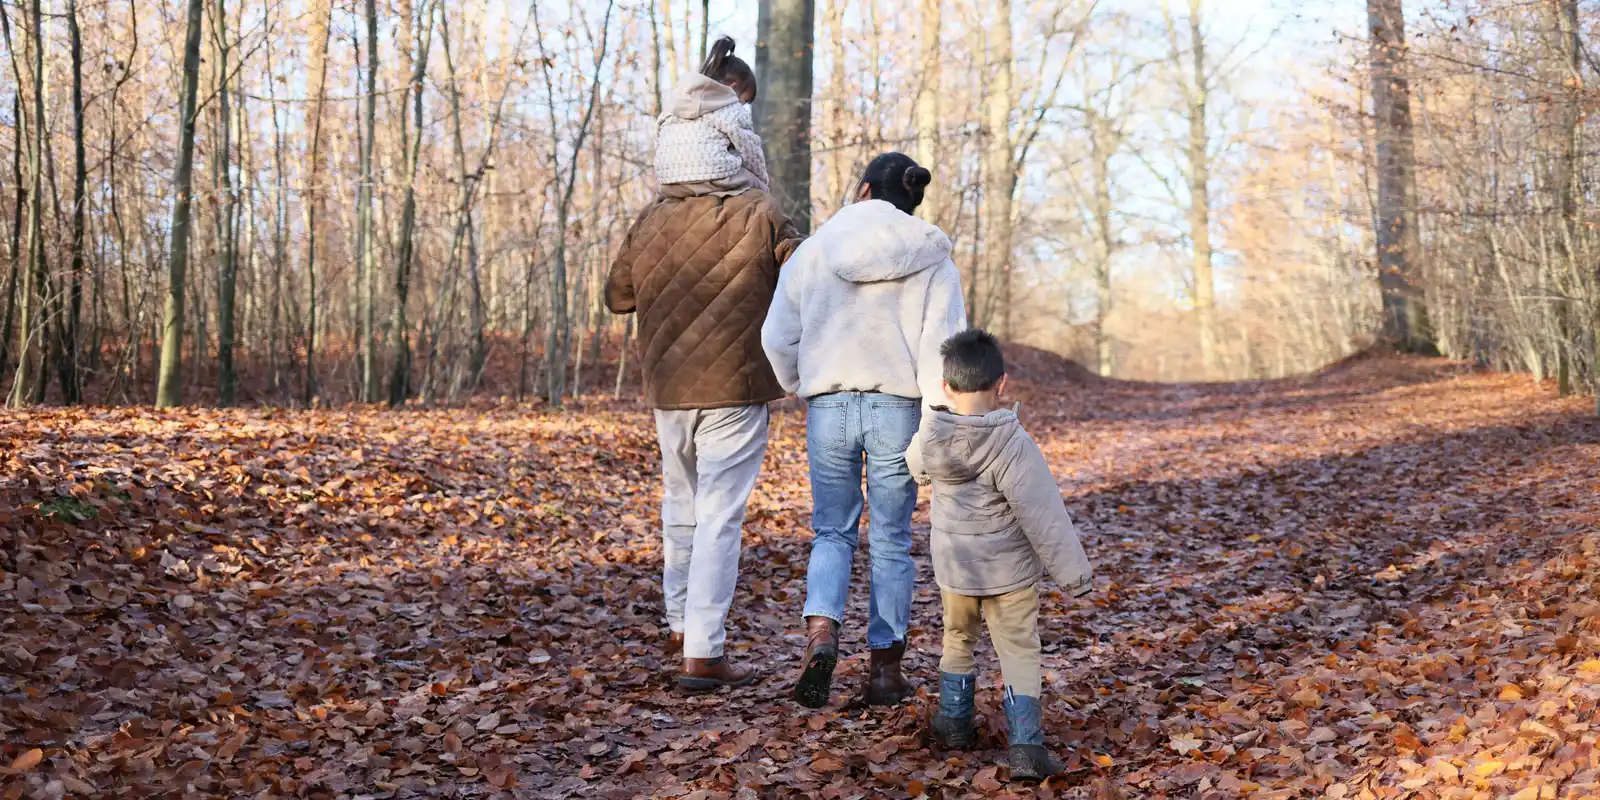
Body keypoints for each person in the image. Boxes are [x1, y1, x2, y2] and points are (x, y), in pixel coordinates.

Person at [761, 152, 967, 709]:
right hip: (897, 407)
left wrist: (800, 380)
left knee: (831, 531)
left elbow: (777, 334)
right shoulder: (930, 256)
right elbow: (942, 346)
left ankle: (822, 635)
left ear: (864, 189)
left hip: (828, 405)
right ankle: (883, 671)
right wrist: (936, 418)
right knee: (893, 540)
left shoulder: (813, 251)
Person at [606, 121, 803, 690]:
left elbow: (617, 296)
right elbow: (804, 275)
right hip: (736, 385)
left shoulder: (651, 218)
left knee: (681, 506)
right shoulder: (759, 210)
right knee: (719, 516)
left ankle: (677, 622)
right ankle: (704, 651)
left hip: (669, 386)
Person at [905, 329, 1094, 783]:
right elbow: (1043, 513)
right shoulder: (1013, 444)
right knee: (1018, 651)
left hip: (956, 570)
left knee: (958, 640)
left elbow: (915, 467)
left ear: (947, 387)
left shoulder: (932, 433)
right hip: (1009, 575)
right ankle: (1026, 748)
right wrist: (1075, 576)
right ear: (1002, 383)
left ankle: (954, 724)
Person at [655, 36, 769, 200]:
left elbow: (658, 139)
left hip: (668, 183)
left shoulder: (673, 104)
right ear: (734, 88)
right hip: (712, 179)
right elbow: (750, 150)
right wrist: (763, 181)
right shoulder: (731, 108)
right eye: (743, 101)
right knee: (758, 186)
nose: (742, 105)